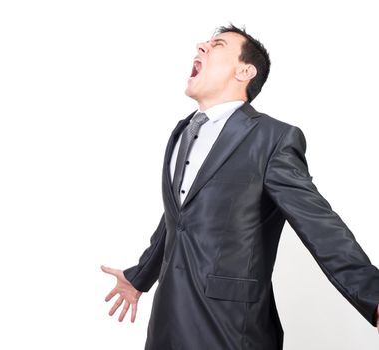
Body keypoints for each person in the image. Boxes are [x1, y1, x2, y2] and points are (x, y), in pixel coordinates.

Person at [101, 23, 379, 349]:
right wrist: (139, 278)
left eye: (217, 45)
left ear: (245, 71)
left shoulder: (272, 138)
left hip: (230, 328)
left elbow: (319, 224)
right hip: (166, 324)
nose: (201, 46)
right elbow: (178, 216)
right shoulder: (181, 132)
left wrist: (373, 296)